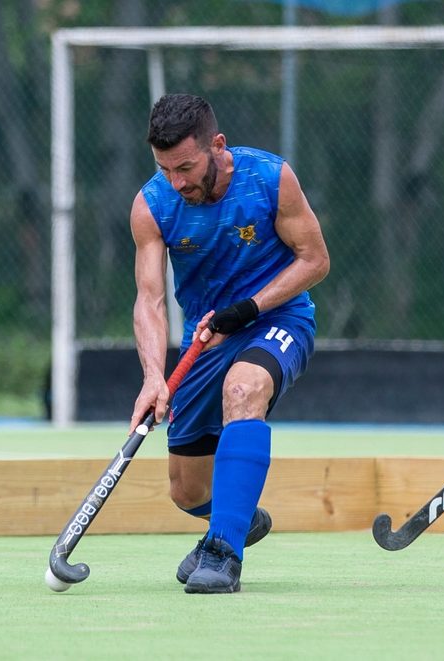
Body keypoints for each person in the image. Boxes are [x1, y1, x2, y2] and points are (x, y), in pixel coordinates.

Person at [129, 93, 330, 594]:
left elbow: (315, 260)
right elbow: (150, 300)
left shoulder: (270, 178)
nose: (177, 182)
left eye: (186, 168)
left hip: (277, 319)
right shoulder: (152, 205)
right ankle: (237, 518)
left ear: (217, 146)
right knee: (186, 490)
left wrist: (249, 308)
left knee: (244, 389)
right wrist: (153, 376)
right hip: (205, 340)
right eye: (164, 169)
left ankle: (223, 552)